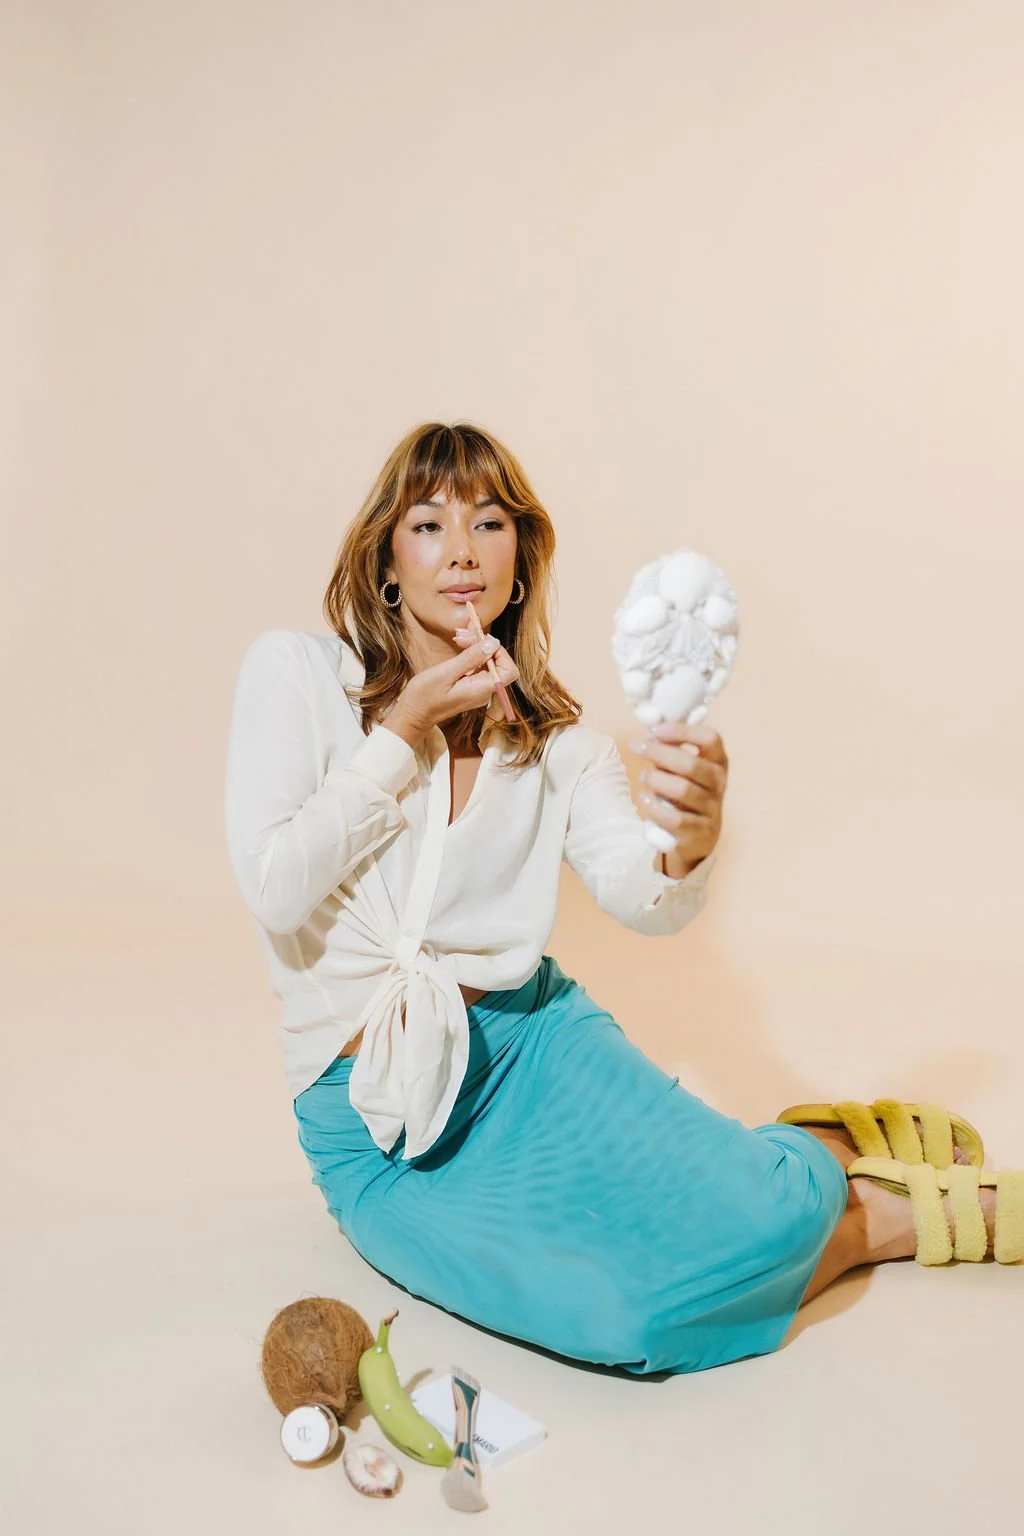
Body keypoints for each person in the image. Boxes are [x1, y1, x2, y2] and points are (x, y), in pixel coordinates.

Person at [224, 421, 1016, 1378]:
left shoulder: (559, 748)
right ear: (388, 561)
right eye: (429, 525)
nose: (463, 551)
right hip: (371, 1126)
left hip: (531, 1049)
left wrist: (688, 842)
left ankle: (846, 1188)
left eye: (489, 525)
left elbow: (647, 903)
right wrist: (403, 728)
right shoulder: (298, 678)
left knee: (756, 1216)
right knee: (627, 1323)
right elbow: (275, 889)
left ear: (520, 565)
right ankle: (845, 1190)